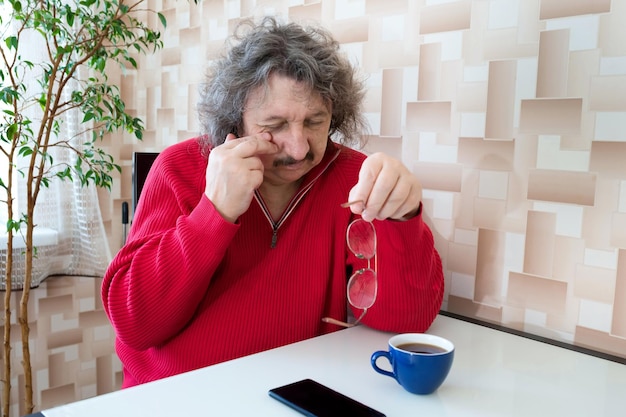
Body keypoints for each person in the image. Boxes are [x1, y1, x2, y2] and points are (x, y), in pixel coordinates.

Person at [102, 16, 444, 388]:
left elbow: (406, 320)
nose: (298, 148)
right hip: (174, 396)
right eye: (276, 125)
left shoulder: (354, 178)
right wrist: (212, 214)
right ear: (236, 120)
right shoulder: (179, 169)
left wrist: (402, 217)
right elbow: (136, 323)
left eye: (315, 121)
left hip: (294, 393)